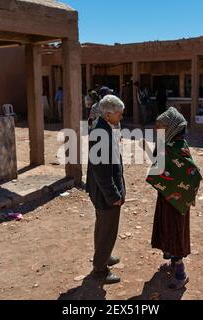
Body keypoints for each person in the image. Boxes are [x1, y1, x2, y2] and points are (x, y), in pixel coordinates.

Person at [145, 107, 202, 290]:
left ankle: (180, 273)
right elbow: (157, 163)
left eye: (161, 126)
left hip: (176, 202)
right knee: (166, 228)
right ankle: (172, 261)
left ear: (172, 128)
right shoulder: (168, 143)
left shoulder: (177, 147)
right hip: (166, 197)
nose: (158, 130)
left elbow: (192, 173)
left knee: (176, 232)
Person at [86, 95, 126, 285]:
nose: (121, 117)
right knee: (107, 229)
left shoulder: (104, 128)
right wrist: (114, 196)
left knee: (103, 227)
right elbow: (102, 172)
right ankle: (100, 269)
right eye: (119, 114)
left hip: (102, 191)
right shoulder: (101, 133)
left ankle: (103, 256)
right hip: (105, 193)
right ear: (108, 114)